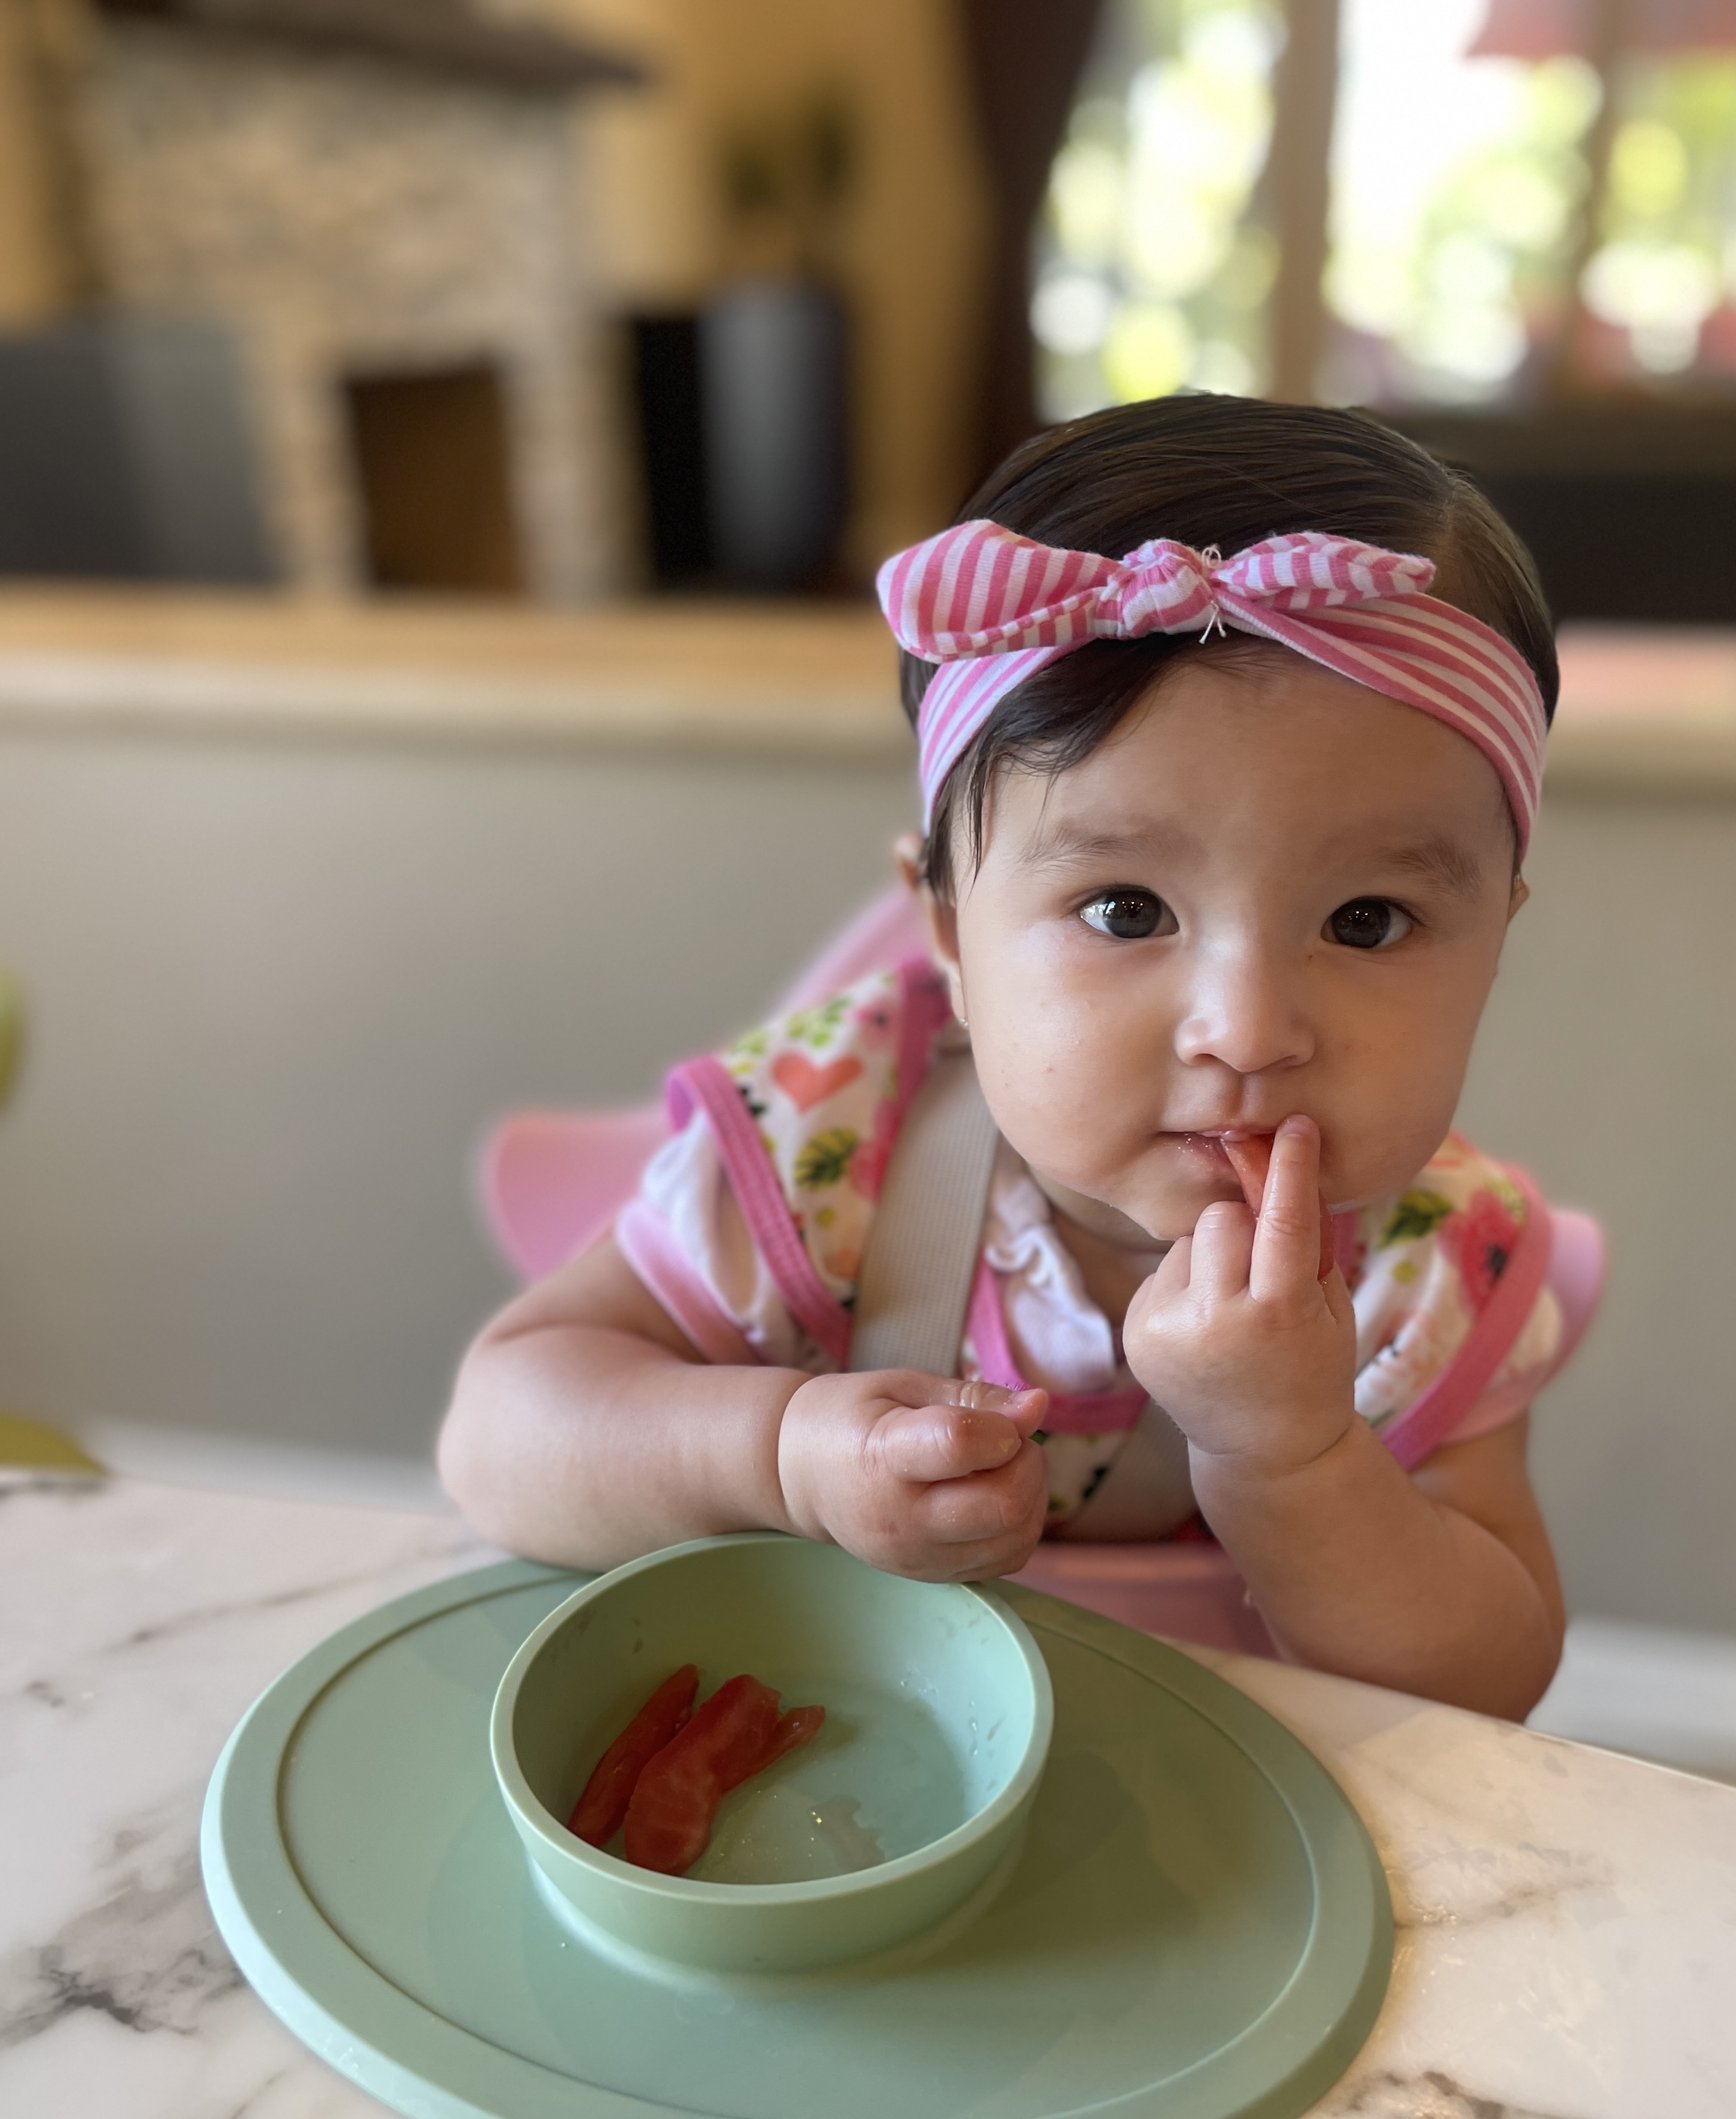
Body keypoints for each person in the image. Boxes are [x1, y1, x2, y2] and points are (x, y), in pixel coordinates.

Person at [441, 396, 1592, 1720]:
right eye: (1125, 910)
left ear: (1492, 939)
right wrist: (787, 1455)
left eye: (1368, 921)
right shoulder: (831, 1155)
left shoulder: (1432, 1262)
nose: (1248, 1028)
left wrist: (1294, 1458)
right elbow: (503, 1440)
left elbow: (1494, 1680)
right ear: (950, 934)